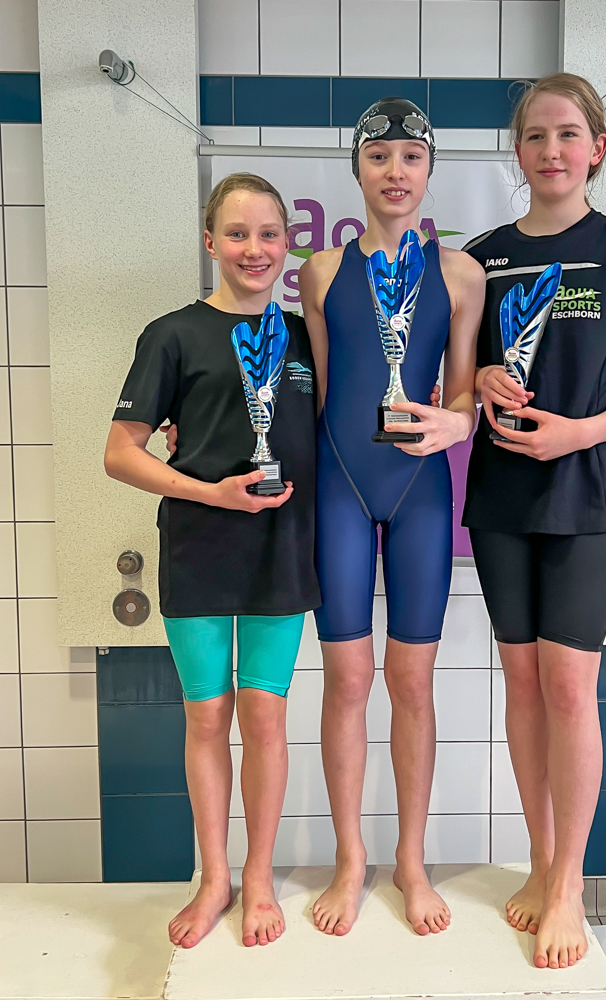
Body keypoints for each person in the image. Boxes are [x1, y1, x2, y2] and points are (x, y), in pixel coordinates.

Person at [463, 73, 606, 970]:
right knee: (520, 685)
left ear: (597, 146)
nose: (550, 150)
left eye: (566, 134)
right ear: (516, 152)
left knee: (567, 689)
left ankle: (568, 886)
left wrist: (578, 433)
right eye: (534, 136)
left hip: (587, 497)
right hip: (500, 500)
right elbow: (454, 379)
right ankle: (541, 858)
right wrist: (477, 379)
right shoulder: (479, 257)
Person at [104, 174, 319, 949]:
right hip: (198, 546)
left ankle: (258, 877)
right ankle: (214, 878)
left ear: (288, 243)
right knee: (206, 715)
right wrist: (211, 493)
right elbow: (120, 453)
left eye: (268, 233)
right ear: (210, 242)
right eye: (236, 233)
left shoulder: (306, 337)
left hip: (282, 551)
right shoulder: (172, 335)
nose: (253, 249)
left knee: (264, 716)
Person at [299, 98, 485, 938]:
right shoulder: (319, 272)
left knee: (411, 682)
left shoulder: (460, 275)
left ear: (430, 169)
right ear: (358, 170)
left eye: (412, 157)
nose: (396, 171)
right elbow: (317, 393)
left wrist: (457, 422)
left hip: (420, 491)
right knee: (346, 680)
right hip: (342, 484)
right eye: (379, 157)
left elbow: (463, 395)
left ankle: (411, 861)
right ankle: (351, 860)